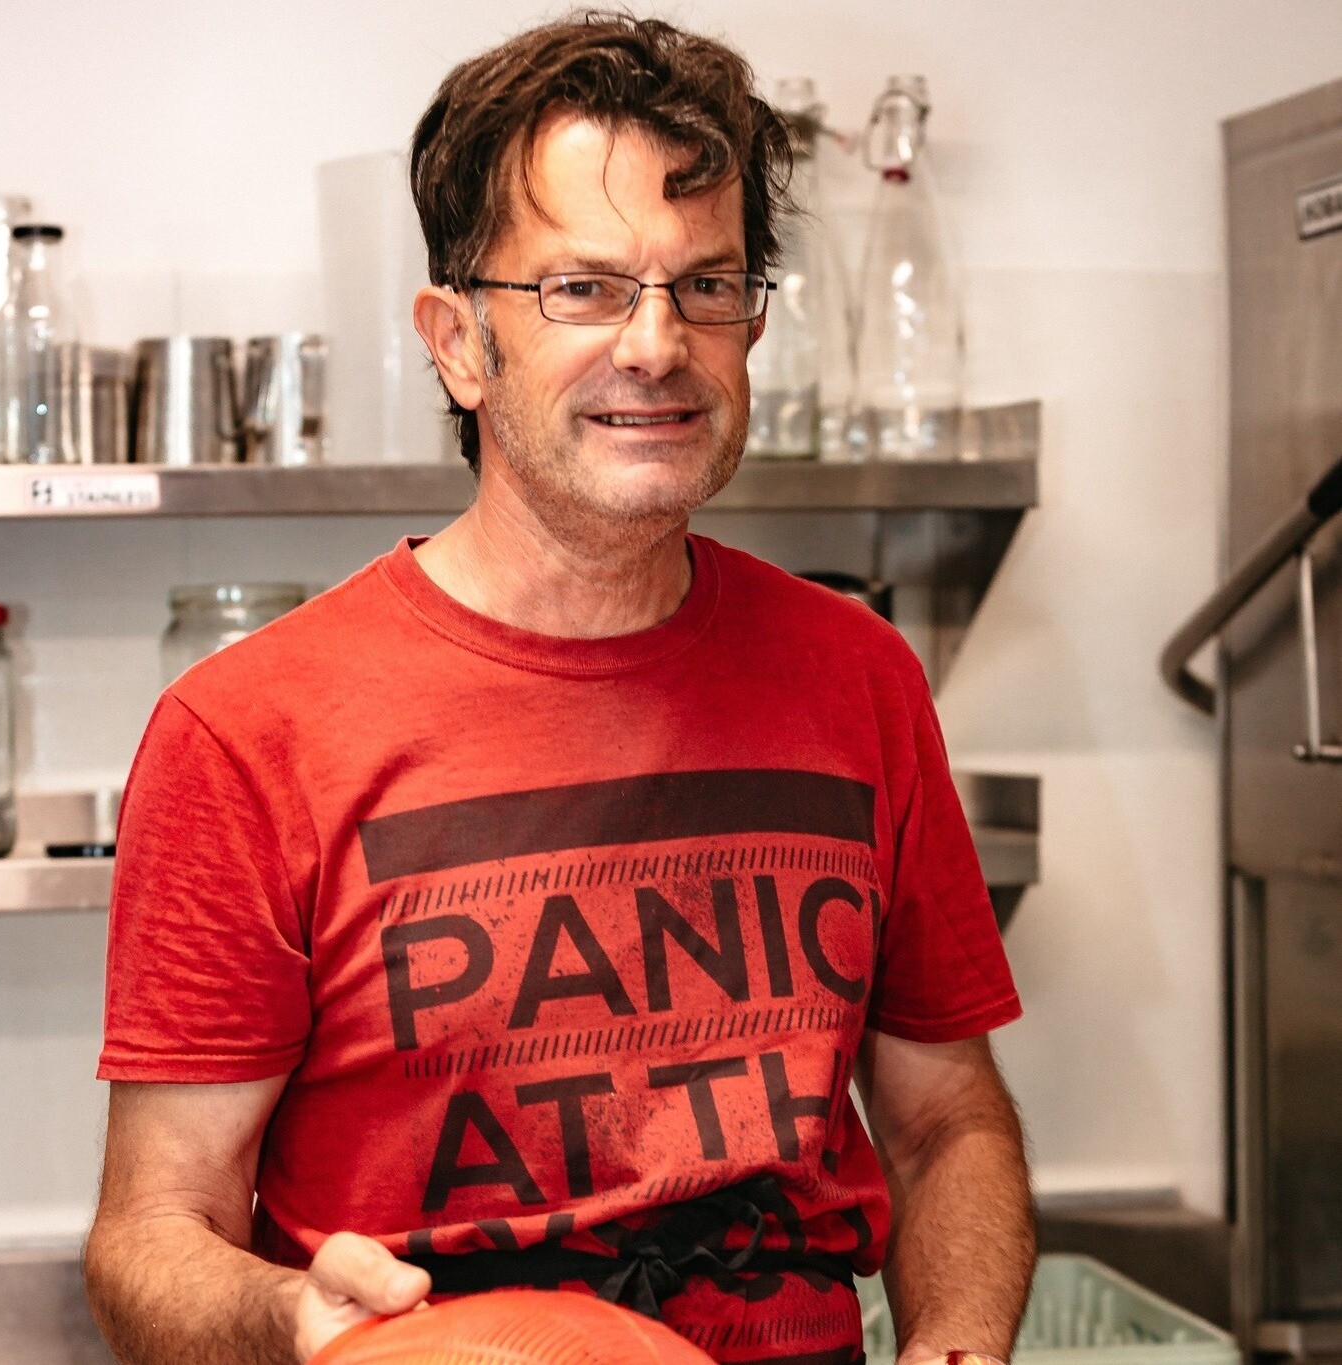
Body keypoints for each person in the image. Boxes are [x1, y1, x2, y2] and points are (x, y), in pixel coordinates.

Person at [84, 13, 1035, 1365]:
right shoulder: (246, 732)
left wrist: (959, 1346)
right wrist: (288, 1317)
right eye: (582, 289)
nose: (656, 343)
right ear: (458, 343)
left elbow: (947, 1125)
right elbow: (149, 1232)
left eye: (706, 285)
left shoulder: (860, 675)